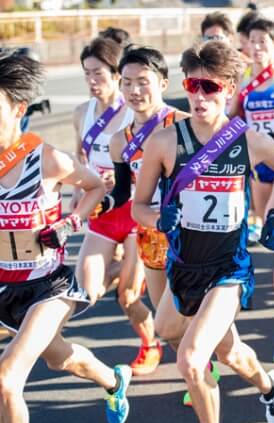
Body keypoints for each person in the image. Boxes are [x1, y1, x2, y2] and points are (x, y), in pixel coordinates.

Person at [132, 41, 274, 423]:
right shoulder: (164, 142)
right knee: (218, 348)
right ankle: (271, 387)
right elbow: (138, 206)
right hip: (185, 265)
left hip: (229, 268)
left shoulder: (249, 140)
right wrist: (157, 217)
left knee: (190, 359)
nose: (200, 96)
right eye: (193, 85)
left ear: (230, 89)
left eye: (211, 87)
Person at [0, 50, 132, 423]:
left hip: (48, 286)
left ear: (18, 108)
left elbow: (93, 185)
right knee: (59, 359)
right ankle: (112, 380)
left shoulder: (47, 159)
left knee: (7, 379)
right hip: (5, 285)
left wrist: (71, 221)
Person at [95, 46, 189, 375]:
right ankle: (200, 368)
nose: (135, 91)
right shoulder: (119, 140)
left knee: (190, 312)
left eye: (144, 82)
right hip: (150, 232)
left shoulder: (184, 125)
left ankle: (201, 370)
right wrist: (97, 202)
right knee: (167, 323)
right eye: (127, 82)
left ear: (163, 83)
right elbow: (123, 193)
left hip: (190, 233)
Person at [72, 37, 139, 311]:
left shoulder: (135, 114)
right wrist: (78, 191)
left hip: (135, 208)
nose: (92, 80)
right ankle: (122, 265)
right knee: (87, 291)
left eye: (98, 73)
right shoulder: (81, 113)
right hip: (102, 208)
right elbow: (80, 157)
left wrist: (124, 176)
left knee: (128, 295)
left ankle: (149, 344)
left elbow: (154, 163)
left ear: (116, 74)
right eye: (87, 73)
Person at [229, 18, 274, 244]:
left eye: (262, 41)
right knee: (266, 223)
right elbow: (232, 116)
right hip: (257, 157)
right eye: (252, 41)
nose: (256, 48)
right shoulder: (243, 78)